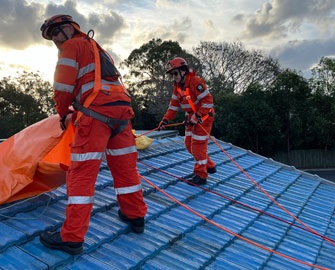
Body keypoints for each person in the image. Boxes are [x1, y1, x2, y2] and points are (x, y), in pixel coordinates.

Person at [39, 14, 147, 255]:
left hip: (95, 115)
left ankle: (72, 238)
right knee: (126, 170)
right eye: (52, 36)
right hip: (122, 114)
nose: (55, 39)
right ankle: (135, 216)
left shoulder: (71, 46)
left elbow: (63, 87)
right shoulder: (97, 48)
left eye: (56, 33)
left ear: (69, 29)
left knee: (81, 176)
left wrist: (63, 114)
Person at [159, 57, 217, 185]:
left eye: (175, 73)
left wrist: (197, 116)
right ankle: (209, 166)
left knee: (197, 147)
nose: (174, 77)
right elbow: (173, 107)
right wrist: (165, 120)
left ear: (183, 70)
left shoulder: (196, 82)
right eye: (172, 74)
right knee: (188, 144)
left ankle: (201, 176)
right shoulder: (177, 88)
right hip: (191, 118)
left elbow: (208, 102)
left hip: (204, 118)